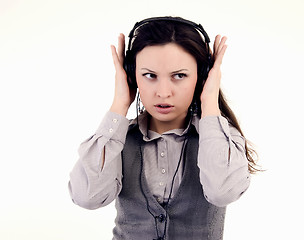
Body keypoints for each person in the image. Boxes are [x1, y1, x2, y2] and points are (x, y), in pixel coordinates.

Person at [68, 16, 258, 240]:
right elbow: (87, 197)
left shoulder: (220, 140)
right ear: (132, 75)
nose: (164, 92)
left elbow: (222, 192)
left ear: (202, 76)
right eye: (150, 75)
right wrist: (119, 104)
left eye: (179, 75)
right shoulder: (117, 141)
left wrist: (209, 102)